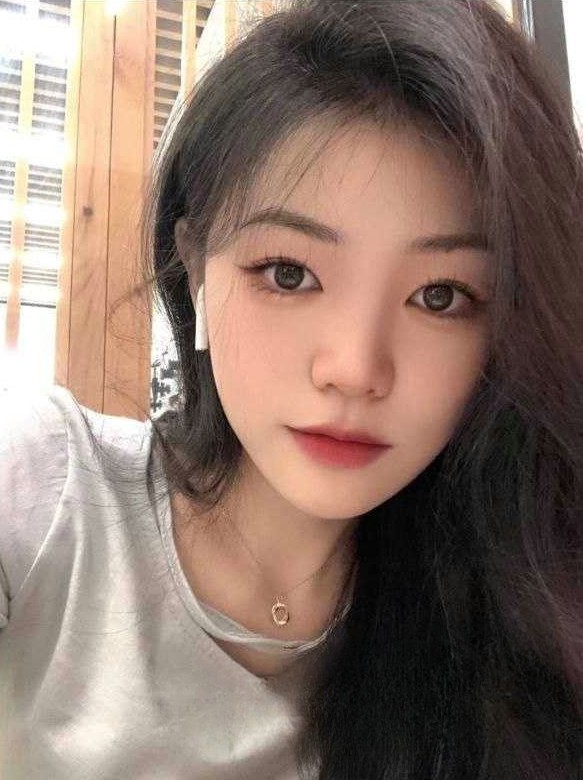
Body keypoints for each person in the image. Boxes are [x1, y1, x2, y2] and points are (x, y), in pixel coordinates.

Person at [1, 0, 582, 777]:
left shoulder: (516, 617)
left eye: (440, 296)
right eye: (287, 273)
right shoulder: (42, 491)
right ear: (196, 269)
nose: (354, 368)